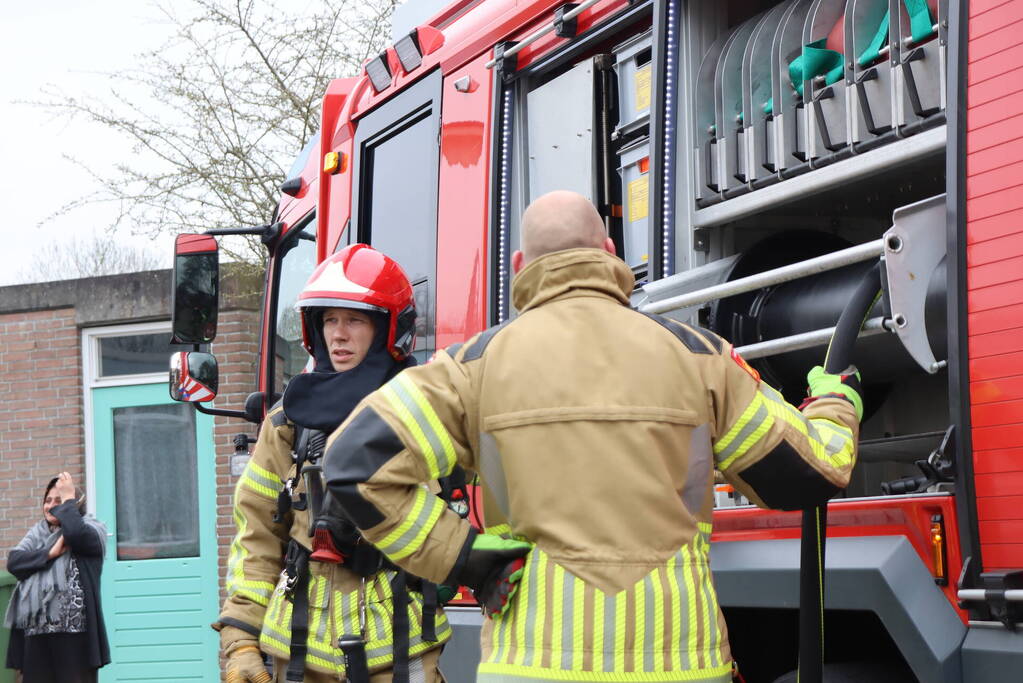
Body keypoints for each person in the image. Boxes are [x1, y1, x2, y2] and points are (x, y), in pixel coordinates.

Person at [321, 190, 863, 682]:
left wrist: (465, 558)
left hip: (530, 668)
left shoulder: (470, 367)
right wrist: (836, 398)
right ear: (609, 253)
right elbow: (809, 475)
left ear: (519, 267)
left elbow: (353, 463)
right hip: (681, 664)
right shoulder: (700, 358)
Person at [216, 244, 453, 683]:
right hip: (303, 651)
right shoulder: (288, 422)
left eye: (355, 319)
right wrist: (242, 642)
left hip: (402, 648)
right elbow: (256, 538)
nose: (339, 335)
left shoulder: (426, 412)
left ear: (386, 328)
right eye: (329, 320)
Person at [5, 472, 110, 683]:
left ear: (73, 505)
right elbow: (14, 562)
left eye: (59, 500)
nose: (51, 505)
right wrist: (49, 553)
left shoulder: (90, 533)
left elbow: (75, 534)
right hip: (37, 636)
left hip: (76, 637)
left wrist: (69, 498)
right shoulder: (36, 535)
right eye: (48, 500)